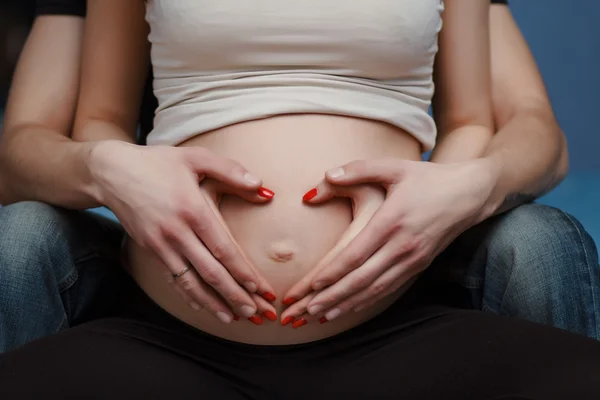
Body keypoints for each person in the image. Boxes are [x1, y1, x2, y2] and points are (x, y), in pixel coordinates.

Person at [2, 0, 600, 398]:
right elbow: (95, 121)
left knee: (547, 254)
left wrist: (445, 198)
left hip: (392, 311)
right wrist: (116, 169)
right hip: (177, 315)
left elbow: (480, 119)